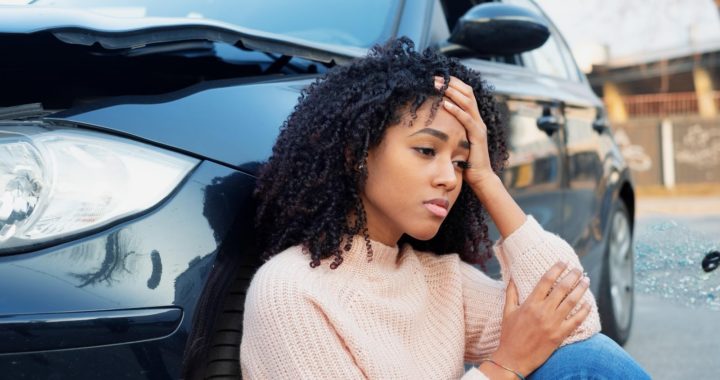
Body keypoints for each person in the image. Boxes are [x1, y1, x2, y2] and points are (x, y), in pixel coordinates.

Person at [240, 37, 650, 379]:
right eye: (425, 149)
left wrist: (488, 180)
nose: (450, 178)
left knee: (588, 358)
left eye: (459, 162)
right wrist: (503, 367)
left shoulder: (439, 278)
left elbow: (575, 323)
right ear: (356, 154)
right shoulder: (291, 290)